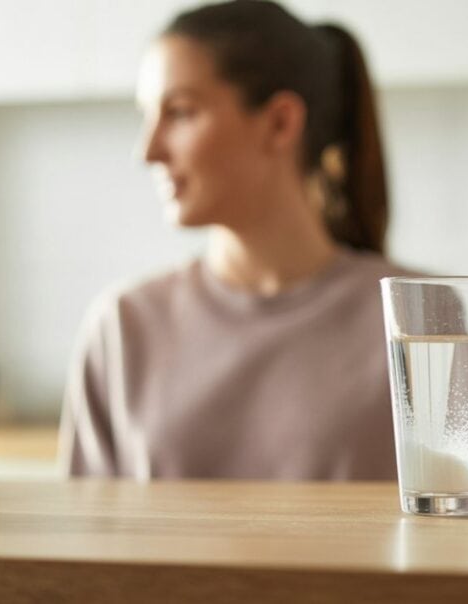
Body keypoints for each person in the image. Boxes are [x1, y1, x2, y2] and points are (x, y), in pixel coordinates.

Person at [58, 0, 408, 480]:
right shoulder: (123, 328)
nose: (148, 151)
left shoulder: (422, 324)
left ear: (280, 122)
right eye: (148, 115)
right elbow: (88, 524)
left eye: (180, 112)